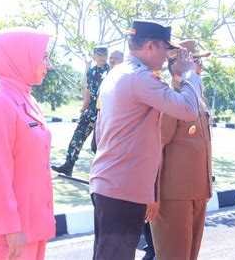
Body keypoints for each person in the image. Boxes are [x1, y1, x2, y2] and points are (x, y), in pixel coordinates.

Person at [89, 20, 201, 260]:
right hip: (122, 189)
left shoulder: (118, 72)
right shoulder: (139, 78)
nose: (165, 57)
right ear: (151, 45)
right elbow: (189, 109)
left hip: (114, 184)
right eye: (164, 50)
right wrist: (189, 72)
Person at [0, 27, 54, 259]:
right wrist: (10, 228)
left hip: (33, 226)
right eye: (43, 57)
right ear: (20, 56)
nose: (47, 65)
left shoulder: (28, 99)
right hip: (9, 234)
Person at [150, 39, 212, 260]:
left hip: (197, 193)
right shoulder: (171, 97)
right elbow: (157, 147)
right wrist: (153, 193)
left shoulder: (196, 98)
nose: (201, 68)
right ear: (181, 64)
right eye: (196, 62)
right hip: (173, 196)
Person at [51, 46, 110, 176]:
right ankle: (68, 165)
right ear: (93, 55)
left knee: (102, 142)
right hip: (91, 108)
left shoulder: (111, 71)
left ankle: (104, 173)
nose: (102, 57)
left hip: (106, 109)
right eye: (99, 54)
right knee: (78, 135)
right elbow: (88, 92)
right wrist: (84, 108)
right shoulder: (91, 71)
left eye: (105, 55)